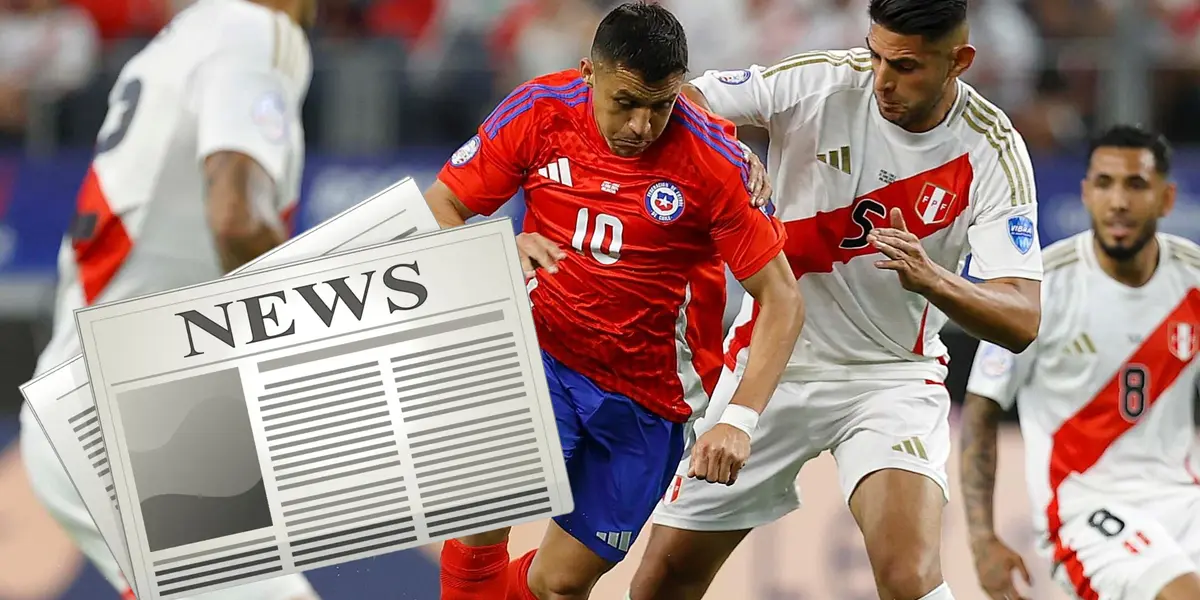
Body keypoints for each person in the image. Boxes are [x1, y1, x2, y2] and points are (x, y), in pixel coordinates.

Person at [628, 1, 1045, 599]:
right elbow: (688, 97)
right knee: (662, 581)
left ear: (959, 61)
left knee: (910, 576)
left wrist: (935, 281)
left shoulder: (991, 149)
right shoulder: (821, 80)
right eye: (875, 54)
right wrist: (727, 147)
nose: (881, 79)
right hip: (772, 367)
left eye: (905, 66)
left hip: (890, 379)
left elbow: (1022, 318)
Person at [424, 2, 805, 599]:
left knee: (559, 584)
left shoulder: (715, 163)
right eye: (625, 102)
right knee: (481, 510)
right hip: (541, 354)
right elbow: (442, 207)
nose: (642, 126)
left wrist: (737, 420)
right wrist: (496, 245)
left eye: (661, 105)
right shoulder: (539, 111)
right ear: (587, 72)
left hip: (649, 400)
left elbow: (782, 300)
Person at [17, 0, 319, 598]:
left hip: (110, 401)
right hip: (126, 412)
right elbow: (235, 218)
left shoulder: (181, 41)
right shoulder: (254, 27)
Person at [962, 125, 1200, 600]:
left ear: (1166, 198)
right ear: (1086, 193)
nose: (1118, 202)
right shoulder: (1039, 289)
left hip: (1182, 499)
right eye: (1105, 184)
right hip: (1083, 509)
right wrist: (981, 539)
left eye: (1136, 185)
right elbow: (981, 411)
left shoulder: (1192, 278)